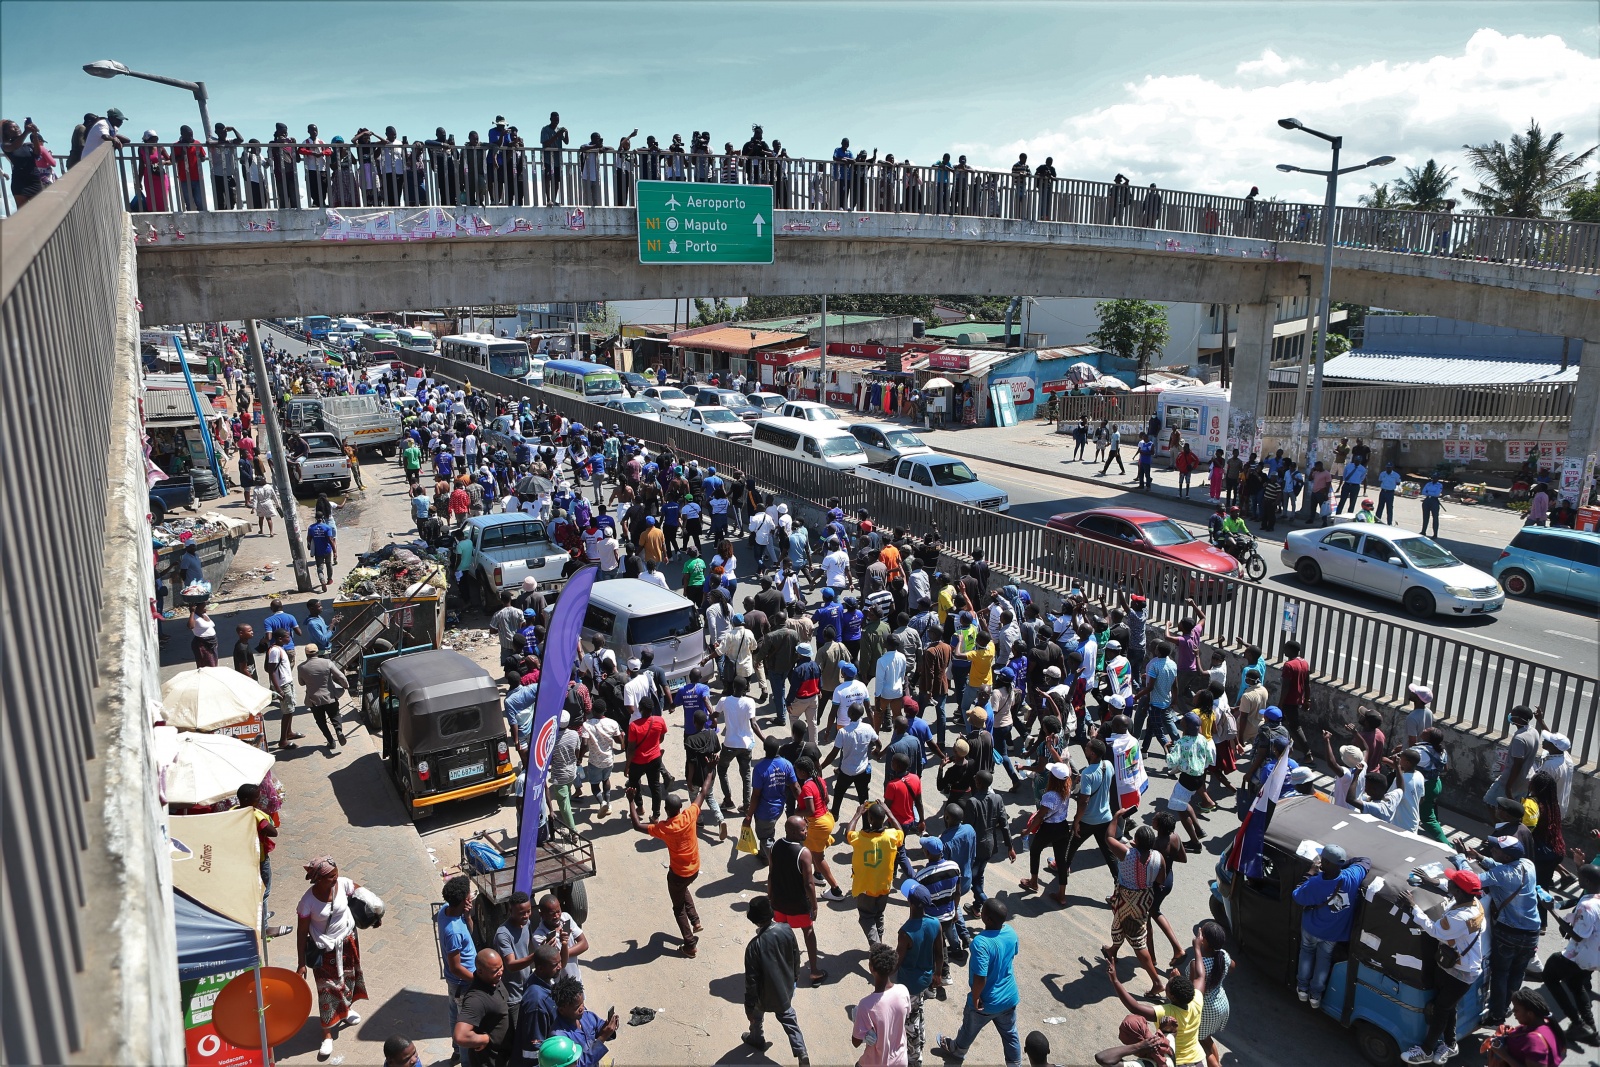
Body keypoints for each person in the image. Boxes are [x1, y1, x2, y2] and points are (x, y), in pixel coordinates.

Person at [1398, 867, 1484, 1065]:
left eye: (1452, 882)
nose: (1449, 883)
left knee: (1440, 1009)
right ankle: (1450, 1044)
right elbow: (1451, 889)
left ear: (1459, 891)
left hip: (1460, 973)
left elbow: (1433, 929)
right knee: (1447, 1007)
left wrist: (1413, 907)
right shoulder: (1474, 903)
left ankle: (1426, 1050)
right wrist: (1432, 881)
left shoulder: (1458, 918)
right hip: (1453, 966)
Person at [934, 899, 1021, 1067]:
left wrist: (975, 998)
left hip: (986, 1001)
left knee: (969, 1028)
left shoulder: (981, 943)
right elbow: (1012, 954)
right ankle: (1015, 1064)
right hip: (1009, 998)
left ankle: (958, 1050)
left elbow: (981, 977)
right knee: (1010, 1035)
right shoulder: (1010, 932)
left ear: (987, 919)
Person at [297, 856, 368, 1060]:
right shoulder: (307, 903)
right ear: (318, 879)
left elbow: (362, 894)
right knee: (327, 991)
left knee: (348, 980)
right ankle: (326, 1034)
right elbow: (302, 934)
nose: (336, 880)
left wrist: (374, 913)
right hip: (323, 951)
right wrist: (301, 963)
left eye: (336, 875)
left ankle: (346, 1011)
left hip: (348, 942)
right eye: (331, 877)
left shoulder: (343, 883)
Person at [1291, 843, 1368, 1010]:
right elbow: (1365, 861)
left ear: (1325, 863)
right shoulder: (1352, 876)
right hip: (1333, 933)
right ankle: (1315, 996)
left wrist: (1310, 872)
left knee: (1307, 952)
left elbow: (1297, 896)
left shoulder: (1315, 883)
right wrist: (1343, 864)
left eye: (1323, 859)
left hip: (1312, 928)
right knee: (1324, 960)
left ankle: (1302, 989)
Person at [1103, 953, 1204, 1067]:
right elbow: (1200, 976)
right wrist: (1198, 951)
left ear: (1173, 996)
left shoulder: (1166, 1012)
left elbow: (1134, 1007)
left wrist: (1115, 980)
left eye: (1167, 987)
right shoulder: (1197, 999)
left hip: (1177, 1062)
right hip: (1198, 1060)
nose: (1165, 987)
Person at [742, 896, 810, 1066]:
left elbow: (751, 982)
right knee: (790, 1020)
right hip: (784, 990)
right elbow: (796, 956)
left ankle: (757, 1039)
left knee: (756, 1018)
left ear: (755, 921)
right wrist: (795, 978)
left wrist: (749, 1007)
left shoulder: (753, 947)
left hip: (763, 996)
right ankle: (801, 1052)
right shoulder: (786, 929)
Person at [1544, 863, 1600, 1045]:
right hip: (1593, 958)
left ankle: (1577, 1022)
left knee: (1550, 976)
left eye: (1580, 877)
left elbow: (1578, 936)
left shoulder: (1587, 905)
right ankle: (1591, 1029)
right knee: (1576, 985)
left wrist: (1551, 911)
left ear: (1587, 881)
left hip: (1577, 956)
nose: (1578, 879)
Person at [770, 816, 827, 984]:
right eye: (803, 830)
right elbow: (809, 883)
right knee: (808, 932)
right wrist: (814, 906)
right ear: (793, 832)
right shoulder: (803, 853)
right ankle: (815, 972)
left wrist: (770, 896)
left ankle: (781, 969)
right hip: (798, 904)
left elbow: (771, 874)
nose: (806, 832)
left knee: (780, 933)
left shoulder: (775, 846)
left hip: (779, 902)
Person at [897, 881, 945, 1067]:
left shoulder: (906, 932)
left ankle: (915, 1056)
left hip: (909, 984)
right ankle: (921, 1036)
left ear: (910, 903)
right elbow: (939, 954)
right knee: (918, 1009)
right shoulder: (935, 923)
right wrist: (938, 975)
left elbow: (897, 963)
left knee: (910, 1021)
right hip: (926, 979)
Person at [846, 800, 905, 946]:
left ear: (869, 819)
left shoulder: (860, 838)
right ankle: (879, 941)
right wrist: (889, 812)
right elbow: (901, 832)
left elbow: (848, 833)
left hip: (866, 889)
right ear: (884, 818)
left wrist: (857, 814)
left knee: (866, 917)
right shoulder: (891, 836)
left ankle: (877, 947)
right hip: (884, 886)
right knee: (879, 914)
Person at [1018, 763, 1075, 906]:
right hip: (1062, 827)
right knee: (1061, 861)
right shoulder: (1067, 788)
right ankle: (1062, 895)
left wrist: (1028, 830)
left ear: (1053, 778)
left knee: (1035, 850)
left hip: (1049, 828)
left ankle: (1033, 882)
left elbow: (1040, 816)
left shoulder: (1050, 795)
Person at [438, 874, 477, 1062]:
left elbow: (469, 931)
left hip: (457, 983)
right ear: (465, 899)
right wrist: (476, 979)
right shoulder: (452, 931)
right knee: (465, 1025)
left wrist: (467, 916)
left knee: (455, 1015)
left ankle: (456, 1051)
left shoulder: (446, 911)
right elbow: (455, 967)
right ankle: (465, 1059)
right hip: (463, 982)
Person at [854, 942, 912, 1067]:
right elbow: (902, 1017)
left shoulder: (865, 1005)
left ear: (871, 967)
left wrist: (862, 1026)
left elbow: (856, 1041)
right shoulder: (903, 991)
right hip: (900, 1060)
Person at [454, 949, 514, 1067]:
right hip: (490, 1061)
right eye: (495, 970)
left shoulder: (493, 980)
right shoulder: (476, 999)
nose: (501, 972)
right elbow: (460, 1036)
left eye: (501, 967)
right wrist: (484, 1039)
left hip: (504, 1056)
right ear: (480, 971)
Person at [1484, 988, 1567, 1067]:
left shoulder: (1535, 1041)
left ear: (1530, 1014)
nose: (1513, 1012)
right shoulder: (1545, 1021)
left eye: (1516, 1010)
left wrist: (1503, 1054)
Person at [494, 893, 537, 1032]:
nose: (526, 916)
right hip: (512, 995)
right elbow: (511, 965)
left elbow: (526, 947)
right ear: (510, 910)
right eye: (521, 913)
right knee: (517, 1033)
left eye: (528, 911)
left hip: (527, 987)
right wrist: (536, 956)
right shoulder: (503, 934)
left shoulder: (526, 924)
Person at [296, 643, 350, 753]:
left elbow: (301, 683)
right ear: (317, 652)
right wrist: (346, 686)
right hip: (330, 696)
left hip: (313, 700)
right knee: (335, 715)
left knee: (320, 721)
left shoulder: (301, 667)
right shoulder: (327, 663)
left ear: (306, 654)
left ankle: (331, 741)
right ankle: (338, 731)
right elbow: (341, 676)